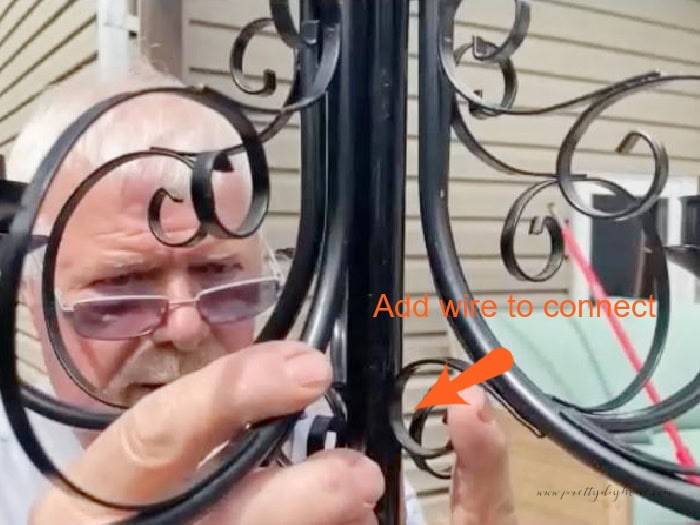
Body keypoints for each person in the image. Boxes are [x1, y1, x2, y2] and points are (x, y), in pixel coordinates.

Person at [0, 60, 519, 525]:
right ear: (26, 292)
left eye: (220, 273)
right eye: (122, 284)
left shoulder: (334, 441)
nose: (184, 328)